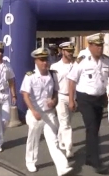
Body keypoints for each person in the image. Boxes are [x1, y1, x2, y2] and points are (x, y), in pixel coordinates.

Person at [67, 34, 109, 174]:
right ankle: (96, 162)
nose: (100, 48)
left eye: (101, 45)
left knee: (94, 129)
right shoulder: (82, 60)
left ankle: (88, 157)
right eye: (97, 45)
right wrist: (71, 100)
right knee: (92, 128)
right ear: (90, 46)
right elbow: (71, 80)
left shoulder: (106, 60)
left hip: (99, 98)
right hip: (85, 98)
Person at [20, 47, 73, 176]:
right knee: (33, 139)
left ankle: (62, 167)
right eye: (42, 60)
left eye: (46, 60)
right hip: (36, 113)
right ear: (36, 61)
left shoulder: (52, 74)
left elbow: (55, 91)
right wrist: (33, 110)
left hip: (49, 113)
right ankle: (30, 161)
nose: (45, 63)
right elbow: (25, 94)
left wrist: (54, 101)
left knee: (53, 140)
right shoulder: (30, 76)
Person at [50, 41, 75, 158]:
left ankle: (61, 140)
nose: (71, 53)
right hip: (60, 96)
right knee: (65, 123)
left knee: (67, 122)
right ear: (62, 51)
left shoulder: (76, 65)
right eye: (68, 51)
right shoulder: (55, 67)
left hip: (73, 97)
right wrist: (52, 98)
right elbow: (52, 84)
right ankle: (69, 148)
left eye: (72, 51)